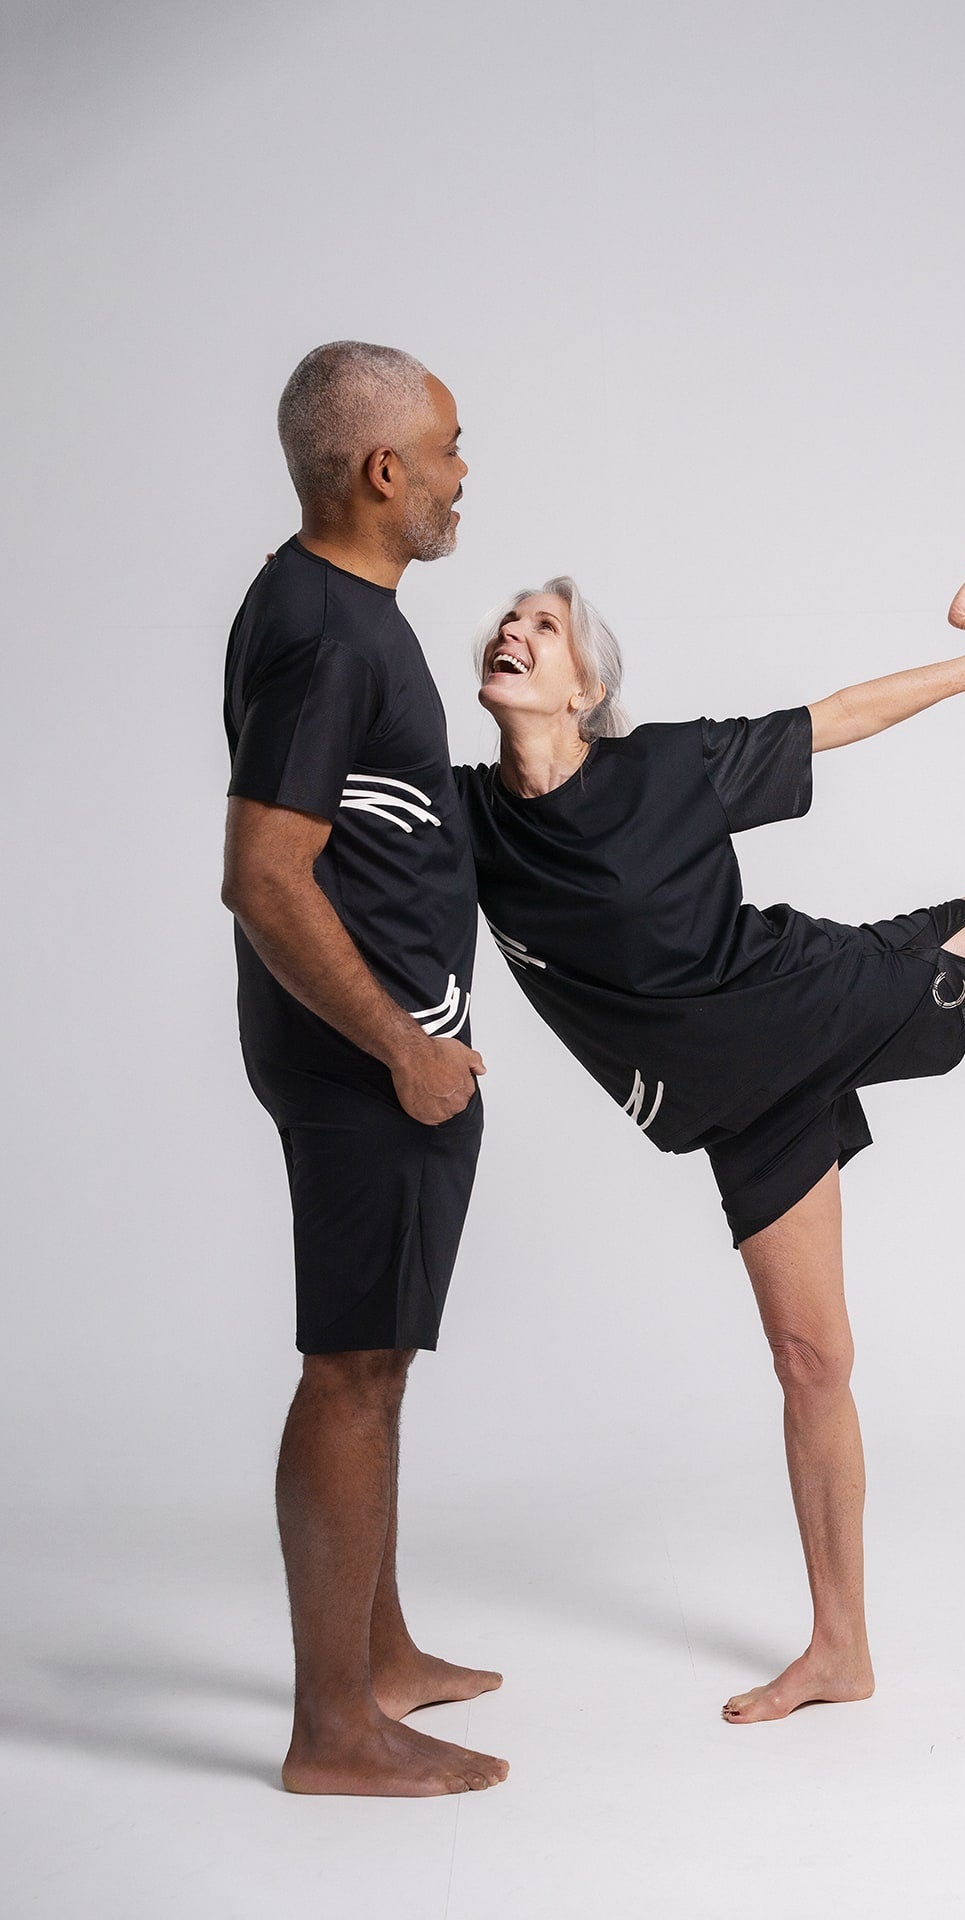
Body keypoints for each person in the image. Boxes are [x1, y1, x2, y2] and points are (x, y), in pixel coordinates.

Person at [454, 495, 965, 1724]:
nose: (515, 631)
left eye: (543, 626)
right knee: (812, 1361)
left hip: (810, 1000)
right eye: (509, 619)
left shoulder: (662, 767)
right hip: (739, 1108)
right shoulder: (469, 819)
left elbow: (837, 717)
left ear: (583, 687)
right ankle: (839, 1653)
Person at [221, 341, 508, 1796]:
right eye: (448, 448)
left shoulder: (332, 605)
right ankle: (333, 1728)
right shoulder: (331, 635)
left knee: (378, 1358)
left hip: (377, 1054)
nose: (463, 474)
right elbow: (264, 875)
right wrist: (402, 1047)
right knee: (350, 1369)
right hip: (364, 1064)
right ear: (385, 471)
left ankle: (377, 1654)